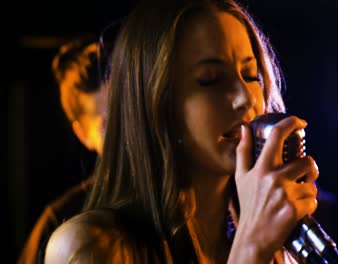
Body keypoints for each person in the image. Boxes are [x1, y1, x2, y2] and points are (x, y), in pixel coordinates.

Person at [44, 0, 321, 263]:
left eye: (250, 75)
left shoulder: (279, 249)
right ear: (155, 103)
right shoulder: (89, 247)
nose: (246, 98)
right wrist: (251, 248)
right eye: (210, 80)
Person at [17, 36, 109, 264]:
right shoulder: (61, 222)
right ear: (83, 135)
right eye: (108, 125)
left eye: (129, 110)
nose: (127, 129)